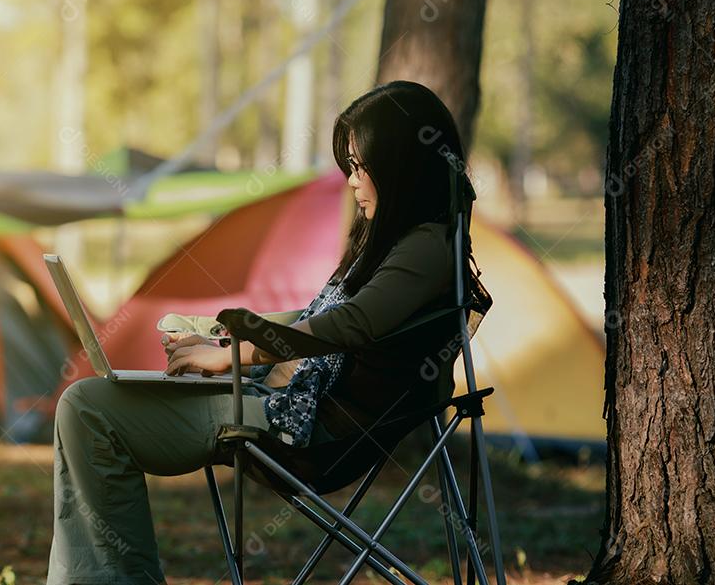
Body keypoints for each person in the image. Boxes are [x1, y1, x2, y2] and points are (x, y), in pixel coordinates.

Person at [44, 80, 492, 584]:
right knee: (87, 404)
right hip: (287, 404)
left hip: (304, 431)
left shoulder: (427, 248)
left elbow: (349, 326)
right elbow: (316, 318)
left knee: (88, 410)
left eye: (360, 166)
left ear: (402, 167)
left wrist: (237, 356)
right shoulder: (403, 243)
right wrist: (220, 340)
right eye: (348, 166)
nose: (350, 180)